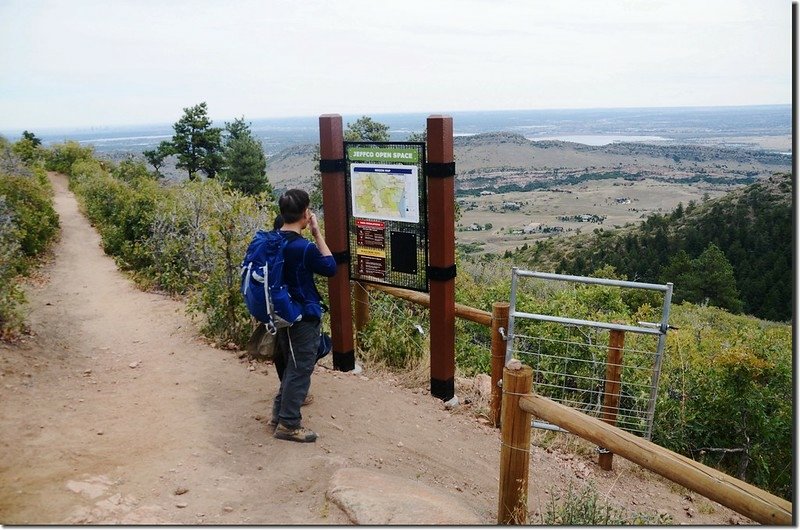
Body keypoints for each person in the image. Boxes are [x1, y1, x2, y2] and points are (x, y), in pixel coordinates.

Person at [269, 189, 336, 443]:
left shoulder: (272, 241)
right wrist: (317, 232)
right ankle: (288, 424)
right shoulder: (303, 248)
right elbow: (330, 267)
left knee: (291, 366)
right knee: (300, 368)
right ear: (305, 214)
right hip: (302, 316)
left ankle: (279, 416)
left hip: (281, 315)